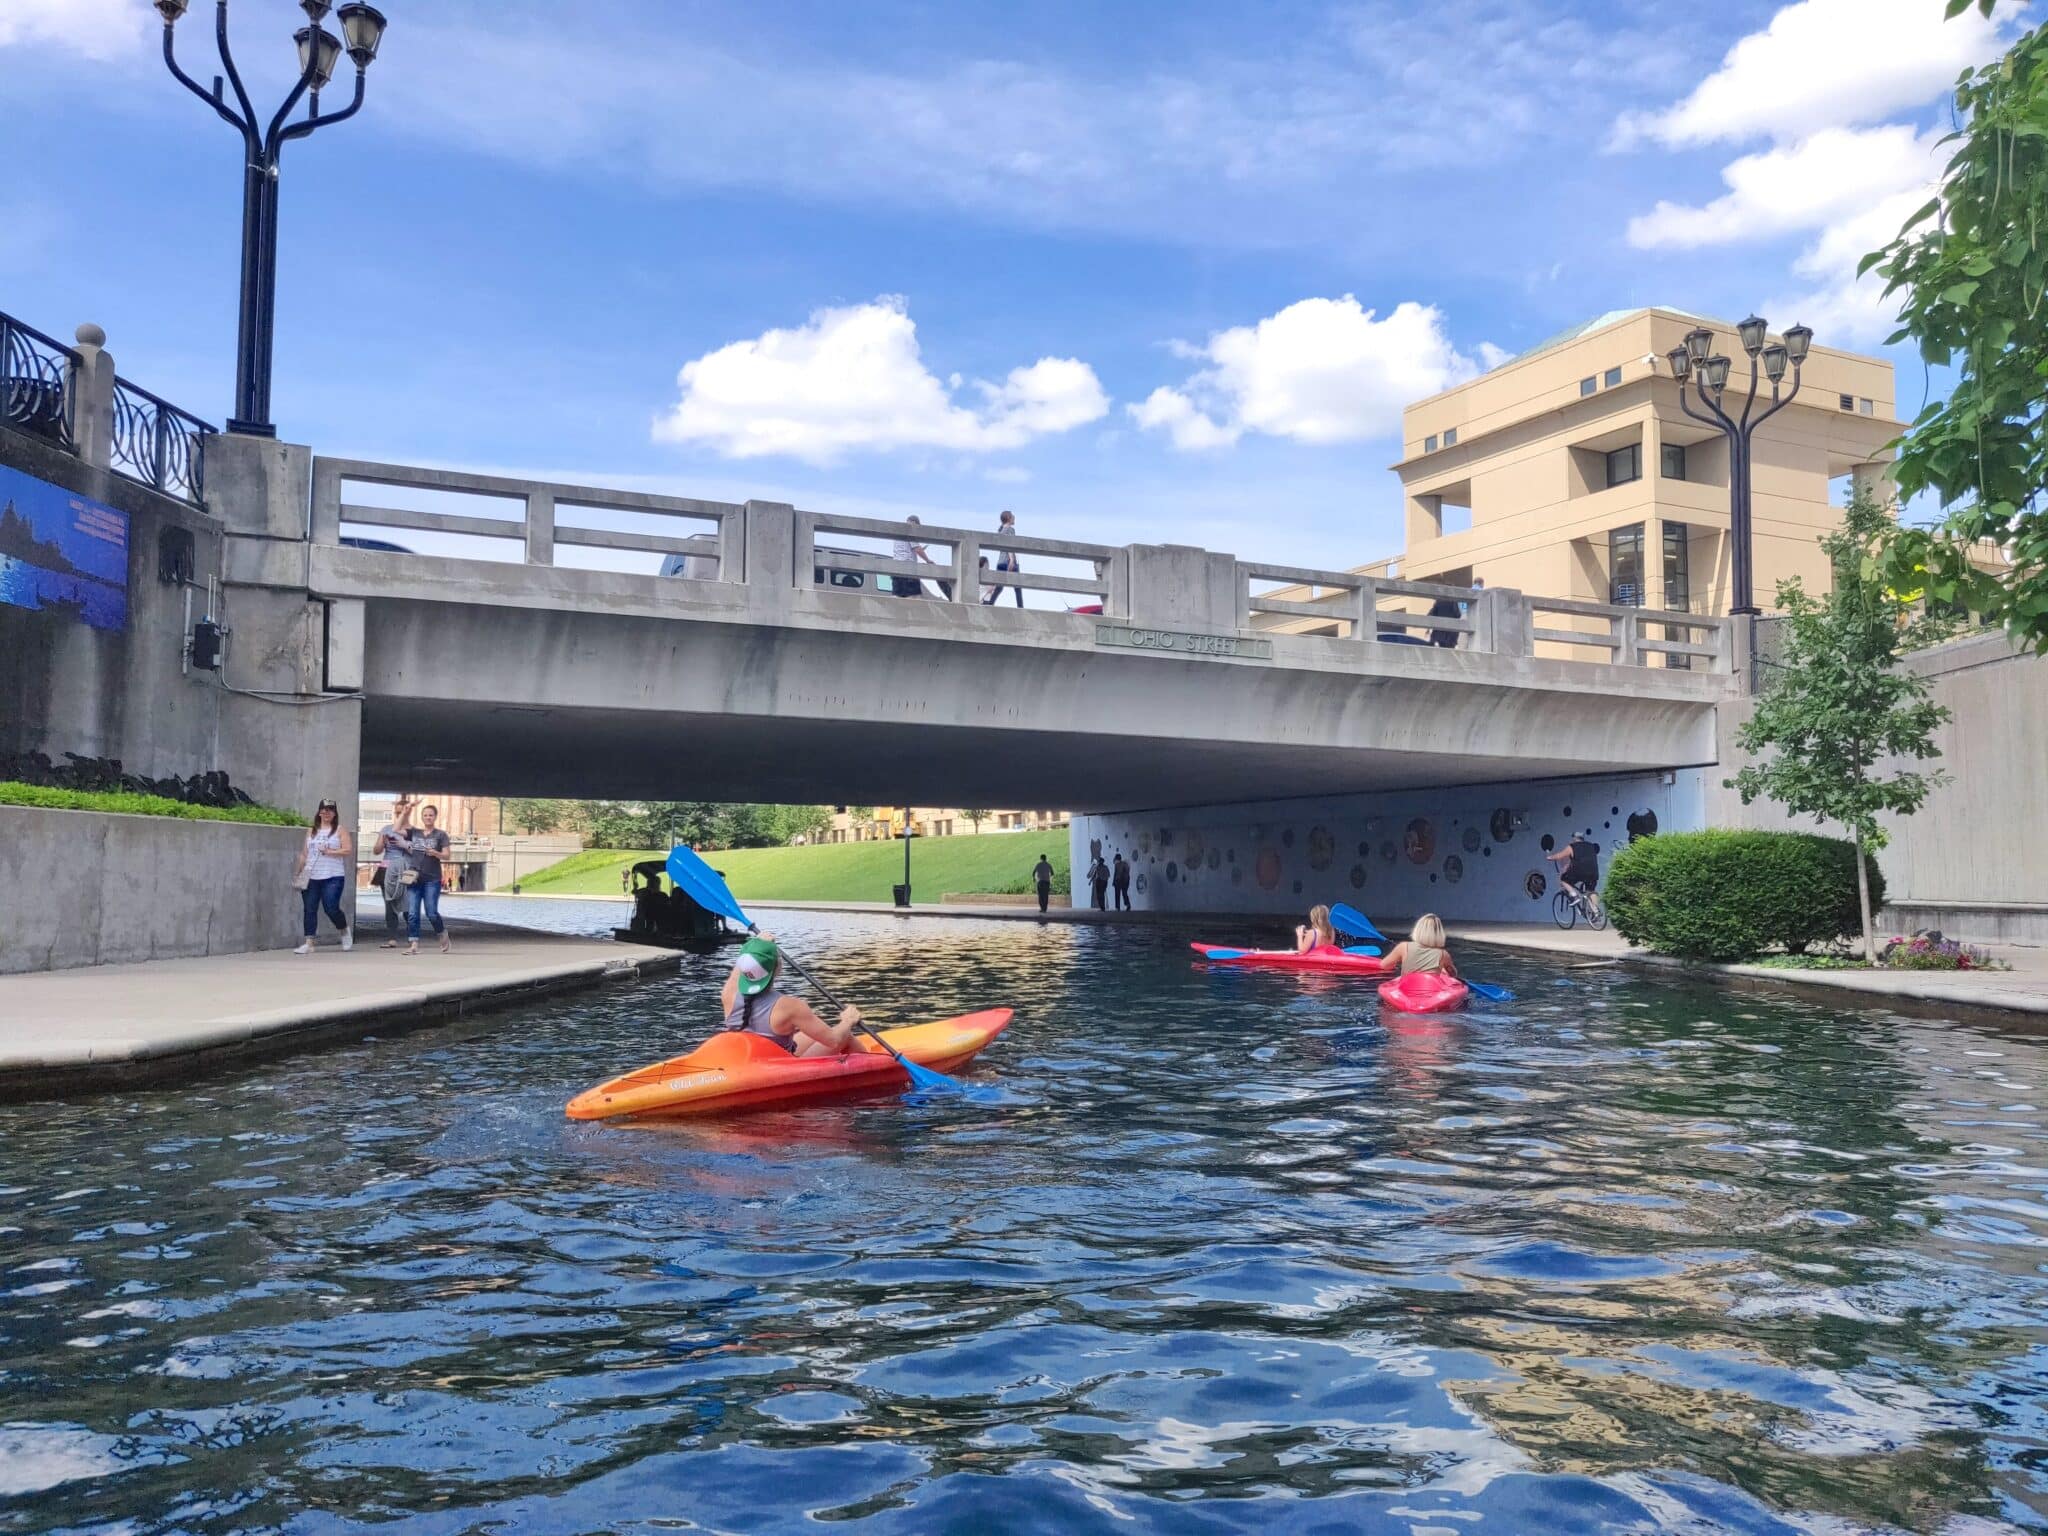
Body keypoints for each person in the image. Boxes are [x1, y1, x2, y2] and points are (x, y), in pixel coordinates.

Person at [721, 935, 862, 1057]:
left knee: (810, 1035)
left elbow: (742, 968)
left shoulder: (728, 994)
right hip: (778, 1067)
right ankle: (879, 1071)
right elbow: (834, 1040)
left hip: (751, 1060)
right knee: (844, 1036)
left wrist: (757, 946)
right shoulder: (789, 1006)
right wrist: (848, 1021)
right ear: (778, 969)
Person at [293, 799, 353, 954]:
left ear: (335, 813)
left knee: (331, 907)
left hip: (333, 875)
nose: (327, 813)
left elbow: (347, 850)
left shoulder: (339, 830)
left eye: (330, 810)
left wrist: (330, 852)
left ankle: (344, 930)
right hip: (312, 874)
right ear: (319, 812)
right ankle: (309, 942)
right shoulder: (311, 830)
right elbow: (305, 854)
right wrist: (298, 873)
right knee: (309, 908)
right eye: (324, 810)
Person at [404, 803, 452, 955]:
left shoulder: (441, 835)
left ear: (435, 817)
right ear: (422, 817)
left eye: (431, 815)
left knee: (431, 913)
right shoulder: (414, 832)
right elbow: (395, 829)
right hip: (414, 877)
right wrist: (405, 813)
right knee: (412, 913)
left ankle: (442, 933)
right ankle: (414, 944)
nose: (428, 817)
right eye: (425, 815)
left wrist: (435, 853)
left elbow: (447, 855)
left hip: (432, 878)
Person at [370, 798, 414, 948]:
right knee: (389, 904)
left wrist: (404, 845)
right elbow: (376, 851)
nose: (399, 814)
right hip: (387, 868)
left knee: (408, 904)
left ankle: (412, 936)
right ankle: (392, 938)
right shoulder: (386, 829)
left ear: (408, 812)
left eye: (403, 812)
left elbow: (420, 853)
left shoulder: (414, 831)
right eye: (397, 812)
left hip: (406, 868)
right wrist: (382, 842)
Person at [1377, 913, 1461, 978]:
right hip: (1431, 989)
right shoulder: (1443, 954)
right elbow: (1453, 974)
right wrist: (1443, 969)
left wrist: (1397, 962)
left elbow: (1384, 965)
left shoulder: (1403, 947)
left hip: (1407, 987)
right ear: (1439, 933)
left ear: (1417, 929)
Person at [1546, 831, 1602, 917]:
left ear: (1575, 838)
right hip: (1593, 872)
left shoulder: (1572, 846)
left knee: (1564, 879)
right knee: (1591, 891)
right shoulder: (1591, 846)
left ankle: (1574, 895)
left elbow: (1560, 855)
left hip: (1579, 872)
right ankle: (1596, 912)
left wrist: (1550, 857)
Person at [1427, 577, 1483, 649]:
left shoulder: (1438, 600)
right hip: (1451, 631)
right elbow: (1457, 613)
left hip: (1440, 631)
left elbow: (1432, 613)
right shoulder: (1454, 600)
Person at [984, 509, 1024, 608]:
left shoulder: (1001, 530)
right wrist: (1011, 560)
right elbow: (1009, 544)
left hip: (1000, 562)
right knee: (1018, 587)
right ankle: (1021, 608)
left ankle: (989, 605)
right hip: (1009, 561)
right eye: (1013, 516)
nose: (1014, 518)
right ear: (1009, 518)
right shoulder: (1010, 529)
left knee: (999, 587)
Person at [893, 516, 937, 599]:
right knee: (914, 598)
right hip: (908, 569)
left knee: (898, 597)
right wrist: (928, 560)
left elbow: (905, 550)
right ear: (914, 523)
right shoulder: (910, 530)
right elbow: (917, 549)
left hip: (896, 568)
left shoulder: (898, 533)